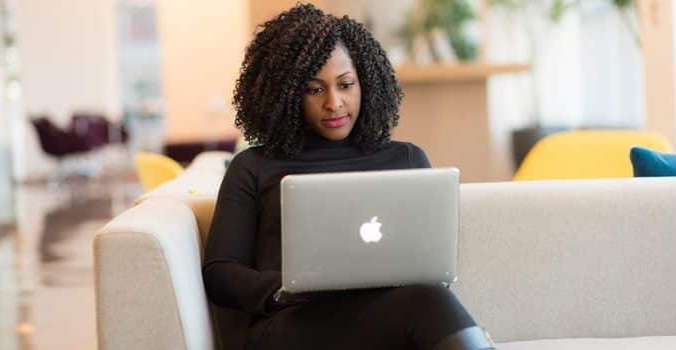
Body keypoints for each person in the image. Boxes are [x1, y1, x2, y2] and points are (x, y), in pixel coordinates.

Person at [203, 4, 495, 350]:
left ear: (366, 83)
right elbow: (220, 272)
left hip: (391, 318)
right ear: (287, 94)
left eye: (346, 84)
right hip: (293, 326)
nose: (334, 103)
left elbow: (428, 260)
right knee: (429, 306)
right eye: (315, 89)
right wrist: (282, 290)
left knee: (431, 299)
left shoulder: (407, 159)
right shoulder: (253, 166)